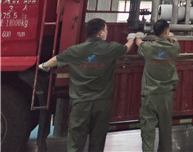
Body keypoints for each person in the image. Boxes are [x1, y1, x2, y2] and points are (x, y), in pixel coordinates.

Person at [38, 18, 136, 152]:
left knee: (76, 140)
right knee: (98, 139)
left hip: (81, 103)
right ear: (101, 33)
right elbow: (126, 48)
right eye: (106, 29)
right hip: (102, 103)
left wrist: (43, 66)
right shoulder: (110, 48)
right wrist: (132, 37)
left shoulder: (75, 50)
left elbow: (56, 60)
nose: (107, 32)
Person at [136, 19, 180, 152]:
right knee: (166, 131)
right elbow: (175, 42)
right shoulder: (174, 48)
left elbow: (139, 42)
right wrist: (172, 39)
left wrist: (138, 35)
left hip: (150, 95)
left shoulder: (148, 48)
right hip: (166, 96)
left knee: (148, 131)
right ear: (167, 31)